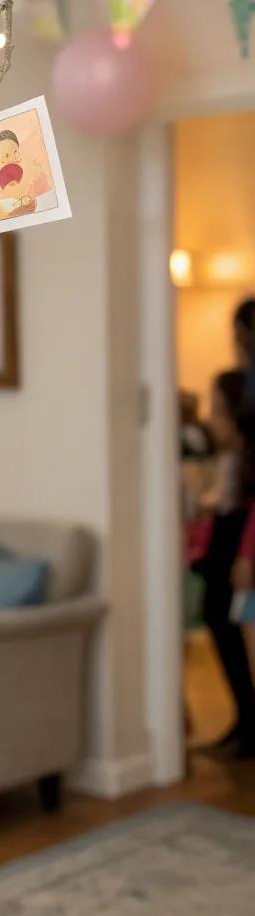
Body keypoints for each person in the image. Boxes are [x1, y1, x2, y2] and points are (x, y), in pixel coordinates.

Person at [196, 299, 255, 757]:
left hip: (243, 528)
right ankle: (246, 720)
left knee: (223, 612)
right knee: (221, 612)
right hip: (234, 521)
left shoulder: (239, 389)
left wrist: (247, 553)